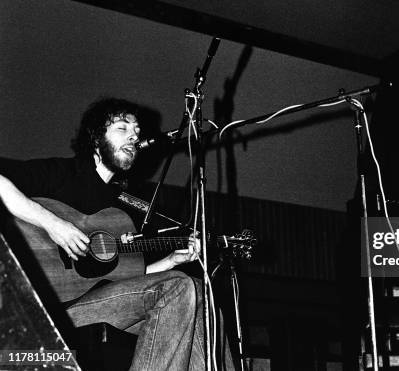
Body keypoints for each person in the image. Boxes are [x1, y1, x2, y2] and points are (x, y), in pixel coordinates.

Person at [0, 98, 230, 370]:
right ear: (97, 139)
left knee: (201, 302)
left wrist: (170, 262)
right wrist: (54, 224)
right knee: (179, 286)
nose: (134, 136)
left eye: (136, 132)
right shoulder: (60, 173)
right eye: (123, 127)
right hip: (45, 309)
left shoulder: (125, 205)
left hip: (99, 307)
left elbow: (121, 279)